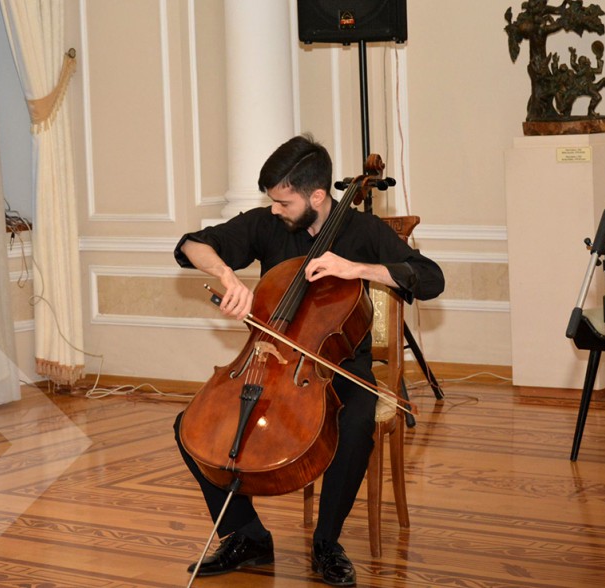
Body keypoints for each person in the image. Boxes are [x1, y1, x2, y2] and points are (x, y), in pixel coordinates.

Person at [172, 134, 444, 586]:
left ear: (317, 196)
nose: (274, 209)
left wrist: (358, 269)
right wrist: (225, 274)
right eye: (272, 200)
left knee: (356, 421)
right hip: (269, 360)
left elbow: (431, 278)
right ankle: (247, 536)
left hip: (340, 366)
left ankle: (326, 542)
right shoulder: (270, 224)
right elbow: (191, 244)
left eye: (283, 201)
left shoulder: (363, 232)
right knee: (191, 427)